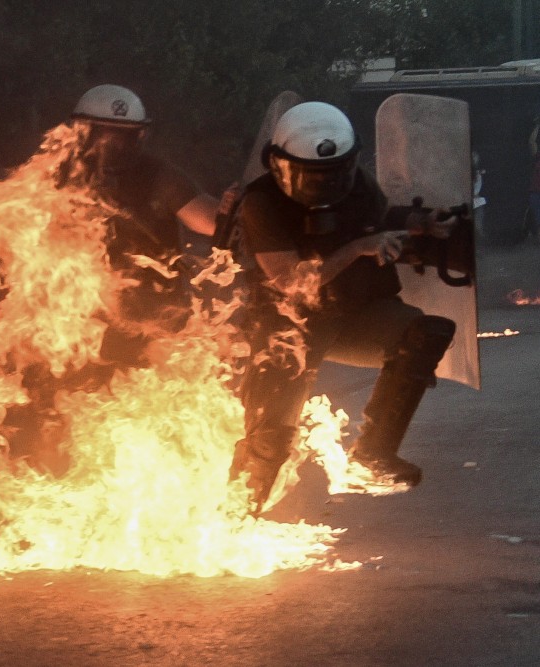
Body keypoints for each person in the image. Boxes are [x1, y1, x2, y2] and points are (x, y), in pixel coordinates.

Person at [228, 101, 462, 513]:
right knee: (271, 440)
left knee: (424, 333)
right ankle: (230, 520)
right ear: (280, 164)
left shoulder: (358, 187)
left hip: (353, 318)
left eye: (334, 174)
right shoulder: (261, 203)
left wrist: (422, 223)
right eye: (312, 177)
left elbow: (380, 219)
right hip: (291, 329)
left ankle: (372, 456)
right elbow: (292, 284)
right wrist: (357, 249)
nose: (324, 186)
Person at [61, 84, 219, 365]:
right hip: (81, 318)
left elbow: (210, 221)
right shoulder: (56, 176)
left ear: (140, 136)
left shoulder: (159, 175)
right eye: (104, 135)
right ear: (81, 131)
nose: (113, 146)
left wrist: (243, 211)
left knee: (146, 400)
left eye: (124, 136)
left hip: (155, 314)